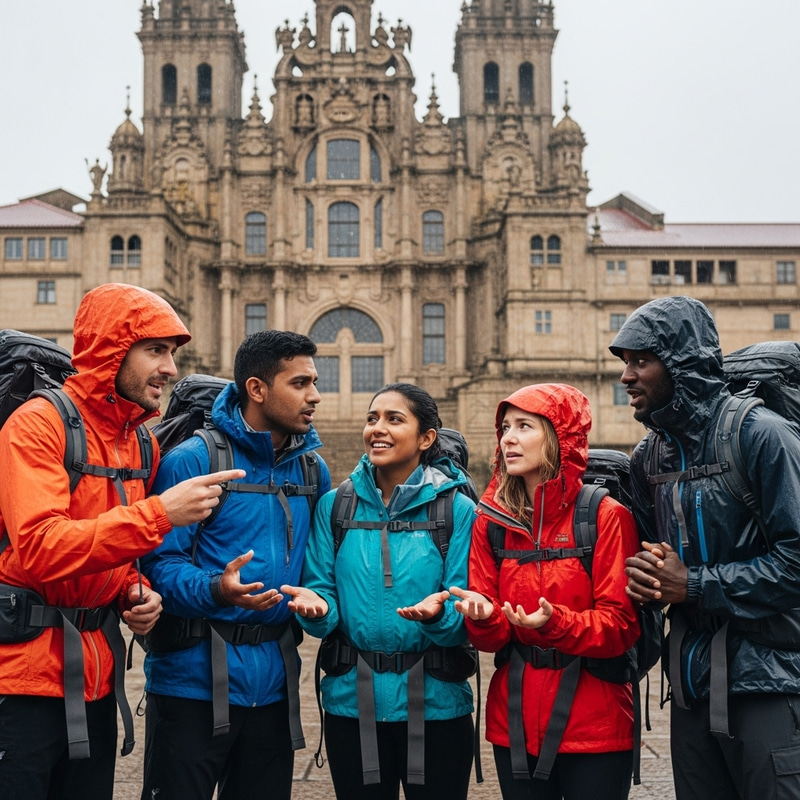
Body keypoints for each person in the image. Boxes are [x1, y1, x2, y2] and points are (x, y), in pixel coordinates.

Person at [0, 282, 242, 800]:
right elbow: (40, 548)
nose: (171, 369)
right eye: (155, 350)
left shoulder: (139, 440)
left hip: (94, 680)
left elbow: (109, 544)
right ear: (112, 348)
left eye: (173, 354)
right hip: (18, 684)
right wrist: (159, 512)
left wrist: (134, 592)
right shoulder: (38, 424)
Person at [610, 295, 800, 800]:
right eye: (624, 361)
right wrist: (648, 580)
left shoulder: (763, 436)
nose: (626, 376)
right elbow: (660, 564)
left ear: (682, 364)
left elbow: (797, 561)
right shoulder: (649, 456)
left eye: (641, 360)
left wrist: (692, 584)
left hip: (772, 683)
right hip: (692, 687)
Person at [140, 329, 330, 800]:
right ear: (257, 389)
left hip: (274, 690)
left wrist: (320, 597)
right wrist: (216, 589)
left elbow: (323, 568)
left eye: (315, 382)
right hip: (190, 687)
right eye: (301, 383)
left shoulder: (313, 471)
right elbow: (158, 564)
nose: (316, 396)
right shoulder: (194, 460)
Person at [282, 383, 476, 800]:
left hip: (439, 703)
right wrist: (316, 610)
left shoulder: (457, 510)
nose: (378, 429)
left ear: (426, 438)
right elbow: (322, 594)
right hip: (350, 703)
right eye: (372, 418)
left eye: (394, 419)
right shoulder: (334, 507)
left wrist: (439, 614)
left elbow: (463, 610)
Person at [451, 383, 641, 800]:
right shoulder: (491, 521)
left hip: (596, 723)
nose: (509, 439)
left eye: (524, 426)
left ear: (560, 438)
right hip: (514, 720)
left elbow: (622, 626)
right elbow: (492, 638)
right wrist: (482, 617)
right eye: (504, 428)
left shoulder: (605, 516)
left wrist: (555, 621)